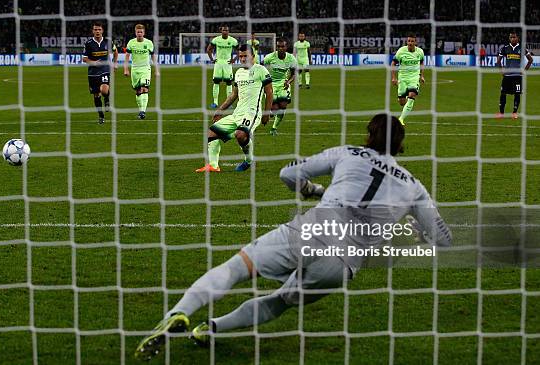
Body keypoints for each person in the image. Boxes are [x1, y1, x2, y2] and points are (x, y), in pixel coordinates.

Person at [134, 114, 452, 361]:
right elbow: (441, 238)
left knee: (234, 270)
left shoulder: (348, 153)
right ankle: (212, 330)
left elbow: (289, 173)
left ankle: (179, 313)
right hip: (343, 263)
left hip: (312, 230)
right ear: (400, 146)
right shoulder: (414, 186)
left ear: (369, 134)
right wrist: (419, 234)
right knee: (280, 302)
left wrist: (310, 190)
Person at [195, 44, 273, 173]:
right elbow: (234, 94)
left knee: (240, 134)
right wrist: (220, 110)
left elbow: (269, 92)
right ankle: (213, 165)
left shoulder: (261, 70)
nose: (242, 59)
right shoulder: (239, 73)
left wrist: (267, 113)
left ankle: (248, 160)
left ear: (253, 56)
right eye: (241, 56)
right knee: (212, 133)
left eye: (245, 56)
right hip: (237, 113)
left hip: (252, 113)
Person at [82, 22, 118, 124]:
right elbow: (84, 59)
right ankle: (101, 116)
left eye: (99, 30)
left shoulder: (108, 42)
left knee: (104, 89)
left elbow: (115, 52)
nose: (97, 31)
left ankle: (107, 98)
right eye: (95, 30)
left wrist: (115, 63)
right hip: (93, 72)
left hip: (105, 69)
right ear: (93, 31)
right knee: (96, 95)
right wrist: (93, 63)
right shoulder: (88, 44)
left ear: (102, 31)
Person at [262, 38, 296, 136]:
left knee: (283, 106)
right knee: (274, 109)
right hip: (271, 84)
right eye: (278, 47)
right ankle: (267, 115)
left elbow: (294, 74)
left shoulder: (291, 58)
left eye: (282, 46)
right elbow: (260, 67)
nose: (280, 48)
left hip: (283, 84)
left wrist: (288, 81)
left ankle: (274, 128)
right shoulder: (270, 57)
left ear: (286, 47)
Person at [124, 24, 158, 120]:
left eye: (141, 32)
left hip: (145, 69)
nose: (139, 33)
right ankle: (140, 110)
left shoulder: (149, 43)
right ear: (135, 33)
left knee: (144, 88)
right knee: (138, 90)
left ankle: (143, 112)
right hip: (135, 69)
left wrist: (156, 70)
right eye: (138, 32)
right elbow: (127, 56)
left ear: (144, 33)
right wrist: (126, 69)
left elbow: (153, 57)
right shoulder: (131, 43)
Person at [496, 32, 533, 120]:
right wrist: (501, 71)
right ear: (509, 39)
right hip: (507, 76)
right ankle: (501, 113)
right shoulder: (505, 48)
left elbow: (530, 60)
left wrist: (524, 71)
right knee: (503, 93)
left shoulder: (522, 48)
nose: (513, 39)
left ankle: (514, 112)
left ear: (517, 38)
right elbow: (498, 61)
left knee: (517, 94)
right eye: (511, 37)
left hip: (518, 76)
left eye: (514, 37)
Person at [391, 33, 425, 126]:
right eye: (409, 41)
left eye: (412, 41)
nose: (410, 43)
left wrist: (421, 76)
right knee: (402, 102)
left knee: (412, 94)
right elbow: (393, 63)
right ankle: (405, 98)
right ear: (407, 42)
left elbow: (421, 63)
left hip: (414, 78)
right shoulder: (401, 51)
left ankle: (401, 119)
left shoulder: (420, 52)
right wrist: (394, 78)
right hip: (402, 77)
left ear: (415, 42)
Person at [207, 26, 238, 108]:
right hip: (218, 63)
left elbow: (240, 50)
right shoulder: (216, 40)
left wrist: (234, 59)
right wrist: (211, 59)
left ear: (228, 31)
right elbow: (208, 49)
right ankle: (215, 102)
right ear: (221, 31)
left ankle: (229, 103)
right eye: (224, 30)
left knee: (229, 83)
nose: (225, 32)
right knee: (216, 82)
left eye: (227, 30)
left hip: (228, 63)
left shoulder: (232, 40)